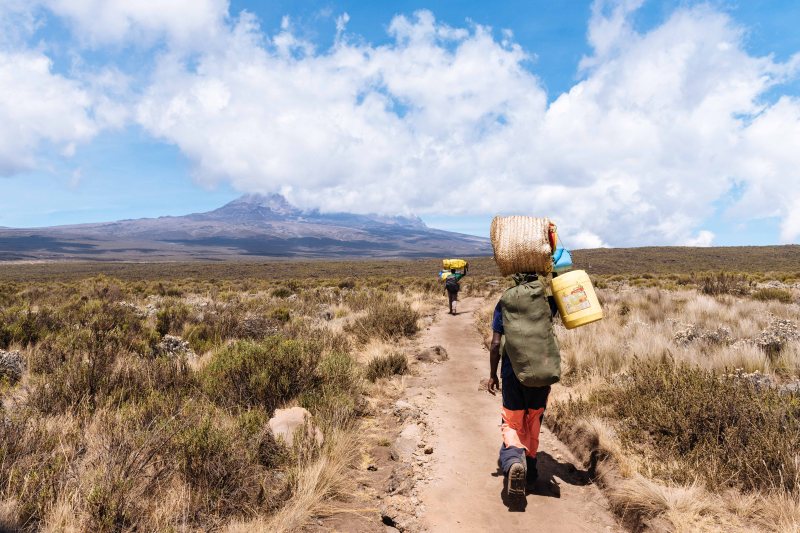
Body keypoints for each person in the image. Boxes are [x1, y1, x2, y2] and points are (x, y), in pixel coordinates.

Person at [487, 272, 559, 497]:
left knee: (512, 421)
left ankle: (513, 462)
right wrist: (554, 272)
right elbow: (561, 295)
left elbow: (495, 344)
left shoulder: (505, 302)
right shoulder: (546, 303)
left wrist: (493, 374)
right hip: (542, 372)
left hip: (513, 374)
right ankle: (530, 474)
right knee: (533, 421)